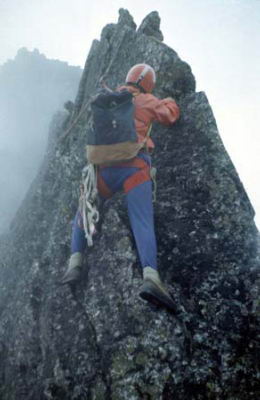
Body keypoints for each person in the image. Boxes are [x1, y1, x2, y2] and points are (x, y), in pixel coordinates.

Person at [61, 64, 180, 310]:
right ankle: (151, 277)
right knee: (142, 220)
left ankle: (74, 263)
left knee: (84, 207)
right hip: (135, 168)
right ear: (148, 84)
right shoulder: (147, 100)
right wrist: (170, 101)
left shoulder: (109, 98)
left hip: (104, 170)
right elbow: (169, 116)